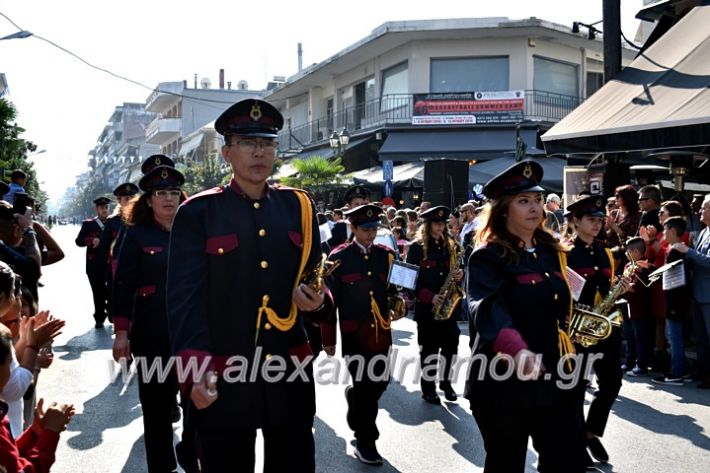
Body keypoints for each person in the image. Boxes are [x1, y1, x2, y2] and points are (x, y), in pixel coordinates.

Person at [166, 98, 333, 473]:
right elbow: (184, 300)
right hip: (225, 373)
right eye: (247, 143)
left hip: (287, 372)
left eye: (267, 143)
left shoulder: (298, 207)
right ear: (226, 152)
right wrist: (194, 371)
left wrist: (318, 303)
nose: (259, 152)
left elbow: (316, 280)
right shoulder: (198, 212)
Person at [466, 160, 587, 473]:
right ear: (504, 210)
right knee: (507, 463)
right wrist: (517, 349)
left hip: (556, 372)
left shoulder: (552, 250)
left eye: (536, 200)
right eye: (523, 201)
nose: (534, 207)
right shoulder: (487, 256)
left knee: (568, 459)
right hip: (503, 377)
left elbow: (563, 301)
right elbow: (488, 309)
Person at [112, 162, 197, 473]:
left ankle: (190, 454)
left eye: (174, 192)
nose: (169, 199)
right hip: (152, 336)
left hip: (193, 335)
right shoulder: (135, 236)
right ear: (148, 200)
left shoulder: (196, 232)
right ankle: (161, 467)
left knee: (198, 406)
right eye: (160, 193)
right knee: (158, 411)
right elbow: (122, 286)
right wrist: (122, 333)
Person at [321, 203, 405, 465]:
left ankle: (354, 399)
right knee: (367, 388)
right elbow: (328, 301)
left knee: (379, 383)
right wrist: (329, 340)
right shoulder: (338, 258)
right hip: (354, 336)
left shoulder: (386, 255)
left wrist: (401, 300)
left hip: (382, 333)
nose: (371, 234)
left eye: (374, 228)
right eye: (365, 229)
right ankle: (366, 440)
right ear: (353, 228)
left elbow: (397, 288)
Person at [565, 195, 630, 467]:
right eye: (591, 220)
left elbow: (608, 288)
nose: (597, 224)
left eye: (600, 220)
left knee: (612, 383)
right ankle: (577, 446)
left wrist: (620, 289)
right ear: (576, 221)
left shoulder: (605, 252)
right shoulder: (564, 253)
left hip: (606, 328)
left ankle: (589, 432)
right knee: (576, 389)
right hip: (578, 330)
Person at [406, 205, 462, 404]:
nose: (440, 227)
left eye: (443, 224)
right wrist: (429, 296)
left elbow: (457, 270)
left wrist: (459, 275)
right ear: (428, 225)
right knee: (429, 350)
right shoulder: (416, 248)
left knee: (451, 347)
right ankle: (428, 388)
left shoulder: (451, 245)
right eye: (437, 224)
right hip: (427, 309)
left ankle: (446, 383)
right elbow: (409, 280)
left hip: (449, 307)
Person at [671, 194, 710, 388]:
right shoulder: (704, 232)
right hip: (697, 291)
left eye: (704, 208)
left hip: (708, 294)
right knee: (701, 338)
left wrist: (689, 252)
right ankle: (704, 372)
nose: (700, 211)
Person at [652, 217, 692, 386]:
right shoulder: (674, 249)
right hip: (676, 298)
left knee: (673, 337)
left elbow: (675, 277)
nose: (663, 234)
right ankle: (683, 370)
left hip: (675, 299)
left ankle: (676, 372)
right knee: (674, 336)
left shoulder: (676, 251)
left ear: (673, 231)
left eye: (665, 230)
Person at [99, 182, 140, 324]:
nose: (129, 201)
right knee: (116, 298)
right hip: (117, 268)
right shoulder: (112, 222)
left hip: (140, 267)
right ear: (119, 201)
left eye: (132, 197)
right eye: (125, 199)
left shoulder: (143, 219)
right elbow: (104, 247)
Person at [75, 197, 111, 328]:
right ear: (97, 209)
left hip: (110, 263)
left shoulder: (114, 223)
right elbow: (78, 241)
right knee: (97, 291)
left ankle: (111, 310)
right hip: (94, 264)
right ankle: (99, 317)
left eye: (106, 207)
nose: (104, 210)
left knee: (112, 290)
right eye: (102, 208)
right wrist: (90, 240)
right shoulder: (88, 224)